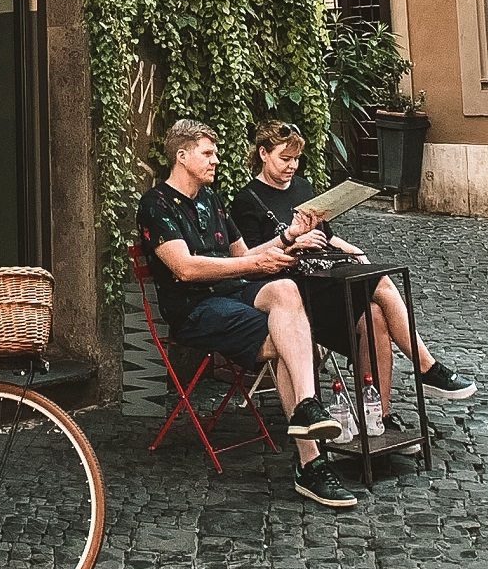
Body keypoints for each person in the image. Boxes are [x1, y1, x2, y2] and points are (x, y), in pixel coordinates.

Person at [137, 118, 356, 510]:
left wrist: (287, 238)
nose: (216, 160)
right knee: (288, 340)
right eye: (208, 153)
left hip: (233, 294)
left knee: (287, 290)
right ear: (182, 156)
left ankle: (306, 405)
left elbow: (242, 256)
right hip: (196, 309)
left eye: (215, 153)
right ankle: (311, 463)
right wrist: (253, 269)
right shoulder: (156, 204)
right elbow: (185, 268)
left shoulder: (212, 199)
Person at [230, 118, 478, 436]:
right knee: (381, 282)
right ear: (263, 154)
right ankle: (427, 368)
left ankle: (379, 417)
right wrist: (292, 241)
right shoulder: (247, 201)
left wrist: (352, 249)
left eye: (296, 159)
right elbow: (250, 263)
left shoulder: (303, 188)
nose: (292, 166)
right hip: (289, 293)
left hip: (323, 279)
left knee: (375, 314)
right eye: (284, 158)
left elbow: (326, 237)